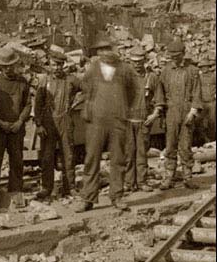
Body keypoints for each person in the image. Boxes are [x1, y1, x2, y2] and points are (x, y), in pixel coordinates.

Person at [74, 39, 137, 212]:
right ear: (96, 53)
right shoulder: (92, 69)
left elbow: (132, 92)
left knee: (118, 159)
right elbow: (85, 89)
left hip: (118, 121)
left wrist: (121, 108)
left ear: (113, 49)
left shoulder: (125, 69)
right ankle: (88, 198)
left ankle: (117, 196)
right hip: (96, 122)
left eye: (106, 49)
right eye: (100, 50)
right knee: (91, 159)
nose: (104, 52)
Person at [155, 40, 203, 190]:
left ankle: (188, 177)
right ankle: (169, 177)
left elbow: (197, 93)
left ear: (183, 54)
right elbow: (160, 93)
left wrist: (193, 111)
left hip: (187, 111)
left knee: (186, 145)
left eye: (177, 55)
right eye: (172, 56)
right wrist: (160, 109)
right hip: (171, 112)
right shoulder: (165, 71)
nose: (174, 59)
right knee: (170, 145)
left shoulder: (193, 71)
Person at [0, 47, 31, 209]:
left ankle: (16, 191)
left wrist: (20, 121)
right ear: (0, 67)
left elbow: (27, 104)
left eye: (11, 66)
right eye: (5, 67)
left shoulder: (22, 82)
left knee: (17, 160)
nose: (9, 69)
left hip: (16, 129)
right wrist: (0, 123)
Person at [34, 51, 81, 199]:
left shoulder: (71, 80)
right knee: (47, 156)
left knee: (68, 154)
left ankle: (70, 187)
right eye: (54, 64)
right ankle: (46, 188)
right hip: (48, 122)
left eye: (60, 65)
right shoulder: (44, 81)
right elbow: (38, 104)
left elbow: (87, 90)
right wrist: (38, 124)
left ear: (63, 65)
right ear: (50, 65)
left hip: (65, 120)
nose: (57, 68)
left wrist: (77, 101)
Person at [123, 47, 161, 193]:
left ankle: (142, 181)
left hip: (144, 121)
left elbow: (159, 98)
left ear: (144, 61)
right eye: (134, 62)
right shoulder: (125, 78)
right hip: (128, 121)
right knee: (128, 152)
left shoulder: (151, 77)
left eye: (139, 62)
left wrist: (155, 114)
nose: (137, 65)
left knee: (141, 152)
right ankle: (128, 182)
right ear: (130, 61)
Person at [197, 58, 216, 144]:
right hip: (202, 103)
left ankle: (212, 140)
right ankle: (204, 140)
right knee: (199, 121)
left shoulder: (213, 76)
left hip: (212, 102)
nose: (204, 69)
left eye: (206, 67)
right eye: (202, 67)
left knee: (212, 122)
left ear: (209, 67)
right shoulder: (199, 78)